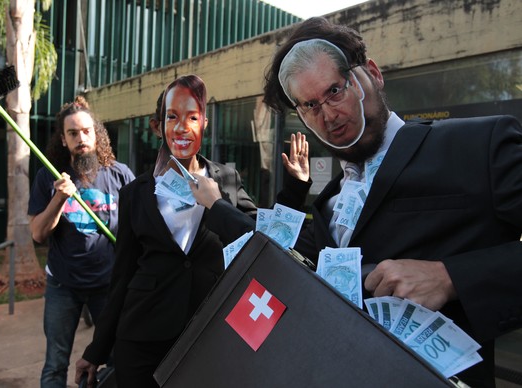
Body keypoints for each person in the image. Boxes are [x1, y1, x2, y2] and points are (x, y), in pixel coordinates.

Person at [258, 16, 522, 387]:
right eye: (310, 106)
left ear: (373, 74)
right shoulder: (328, 202)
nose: (330, 116)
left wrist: (451, 278)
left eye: (335, 91)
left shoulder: (478, 145)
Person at [74, 75, 276, 388]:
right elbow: (122, 276)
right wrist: (97, 347)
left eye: (192, 117)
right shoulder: (135, 193)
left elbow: (259, 237)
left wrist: (293, 189)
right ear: (157, 126)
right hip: (143, 335)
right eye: (172, 117)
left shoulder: (226, 179)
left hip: (209, 328)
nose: (183, 128)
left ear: (204, 123)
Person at [28, 95, 134, 388]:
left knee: (115, 358)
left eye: (86, 131)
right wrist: (59, 198)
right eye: (72, 133)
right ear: (63, 140)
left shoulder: (119, 175)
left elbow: (137, 228)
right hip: (64, 286)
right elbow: (38, 233)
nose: (81, 138)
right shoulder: (48, 178)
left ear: (96, 133)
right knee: (55, 363)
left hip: (108, 285)